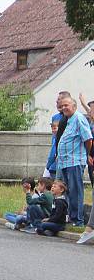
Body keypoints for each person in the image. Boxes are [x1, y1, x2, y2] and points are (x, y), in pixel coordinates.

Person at [55, 95, 92, 226]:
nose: (64, 107)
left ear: (74, 106)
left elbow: (88, 139)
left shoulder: (79, 118)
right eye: (63, 105)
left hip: (75, 161)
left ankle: (78, 220)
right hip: (65, 162)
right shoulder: (68, 119)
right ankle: (71, 217)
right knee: (68, 191)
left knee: (76, 190)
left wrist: (86, 154)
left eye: (67, 105)